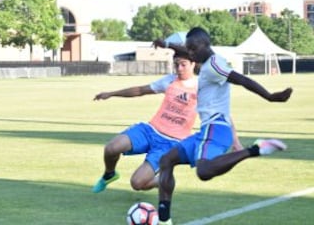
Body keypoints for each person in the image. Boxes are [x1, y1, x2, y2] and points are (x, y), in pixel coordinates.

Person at [153, 27, 293, 225]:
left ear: (204, 44)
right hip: (206, 130)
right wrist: (166, 44)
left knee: (203, 172)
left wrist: (270, 96)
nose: (190, 54)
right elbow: (184, 50)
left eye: (193, 49)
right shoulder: (204, 59)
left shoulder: (215, 65)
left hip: (216, 127)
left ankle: (255, 149)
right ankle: (164, 221)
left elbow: (241, 79)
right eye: (189, 49)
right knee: (167, 160)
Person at [91, 49, 243, 193]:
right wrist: (111, 93)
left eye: (183, 64)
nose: (179, 68)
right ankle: (109, 174)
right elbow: (140, 90)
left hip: (171, 143)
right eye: (176, 64)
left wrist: (235, 141)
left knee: (137, 183)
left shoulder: (202, 88)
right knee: (111, 148)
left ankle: (164, 180)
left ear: (193, 64)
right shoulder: (169, 81)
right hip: (149, 131)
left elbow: (222, 115)